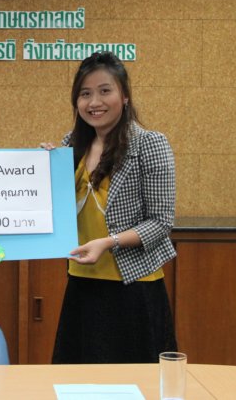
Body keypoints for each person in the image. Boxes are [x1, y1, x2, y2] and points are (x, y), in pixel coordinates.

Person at [45, 51, 178, 364]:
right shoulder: (70, 145)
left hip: (134, 287)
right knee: (78, 381)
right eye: (85, 94)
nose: (95, 102)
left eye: (105, 91)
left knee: (135, 381)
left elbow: (160, 223)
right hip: (82, 281)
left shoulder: (150, 144)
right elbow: (56, 207)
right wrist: (43, 169)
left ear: (125, 95)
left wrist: (108, 242)